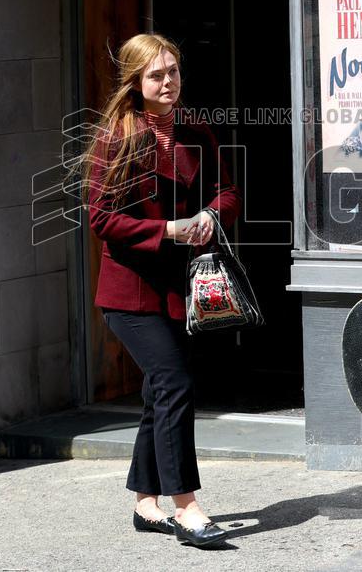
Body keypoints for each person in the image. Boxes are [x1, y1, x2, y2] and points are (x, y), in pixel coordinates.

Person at [83, 33, 241, 548]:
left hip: (179, 287)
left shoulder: (195, 128)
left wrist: (211, 216)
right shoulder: (117, 137)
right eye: (157, 75)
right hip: (128, 292)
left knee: (159, 392)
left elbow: (227, 189)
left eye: (173, 71)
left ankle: (144, 502)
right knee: (174, 385)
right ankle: (187, 507)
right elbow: (100, 217)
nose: (169, 82)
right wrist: (167, 230)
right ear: (135, 81)